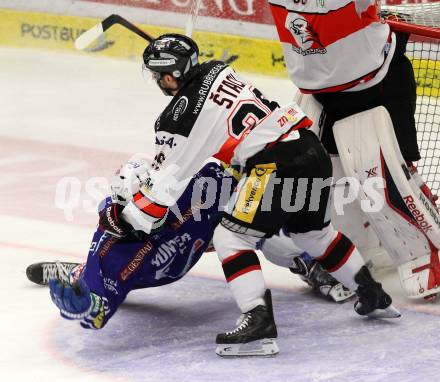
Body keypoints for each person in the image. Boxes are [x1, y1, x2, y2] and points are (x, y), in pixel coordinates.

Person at [114, 33, 399, 357]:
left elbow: (164, 189)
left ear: (168, 76)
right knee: (316, 235)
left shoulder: (177, 120)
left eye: (157, 75)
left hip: (274, 164)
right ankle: (372, 293)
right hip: (309, 147)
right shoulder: (218, 69)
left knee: (230, 238)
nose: (157, 82)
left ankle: (258, 321)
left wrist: (125, 216)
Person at [28, 161, 354, 330]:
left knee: (256, 224)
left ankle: (309, 264)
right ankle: (81, 277)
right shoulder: (111, 255)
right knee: (102, 284)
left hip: (204, 235)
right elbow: (98, 315)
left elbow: (238, 173)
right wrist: (86, 307)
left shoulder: (183, 183)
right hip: (159, 269)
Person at [267, 0, 440, 298]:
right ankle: (360, 248)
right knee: (332, 182)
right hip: (321, 94)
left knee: (388, 177)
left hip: (376, 85)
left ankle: (426, 259)